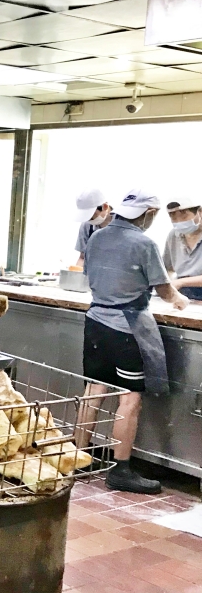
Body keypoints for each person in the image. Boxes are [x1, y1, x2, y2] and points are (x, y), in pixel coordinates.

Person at [81, 190, 188, 494]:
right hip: (125, 328)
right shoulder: (143, 243)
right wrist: (179, 300)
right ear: (149, 213)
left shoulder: (97, 236)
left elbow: (92, 275)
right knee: (130, 397)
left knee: (93, 389)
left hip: (96, 322)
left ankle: (79, 456)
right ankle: (121, 470)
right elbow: (165, 290)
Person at [163, 196, 202, 301]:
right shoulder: (174, 235)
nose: (179, 222)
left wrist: (181, 282)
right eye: (174, 218)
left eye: (184, 217)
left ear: (200, 212)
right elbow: (167, 269)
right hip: (183, 294)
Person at [74, 188, 113, 266]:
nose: (89, 220)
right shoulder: (86, 225)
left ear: (105, 207)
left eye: (91, 216)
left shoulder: (123, 223)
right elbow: (82, 258)